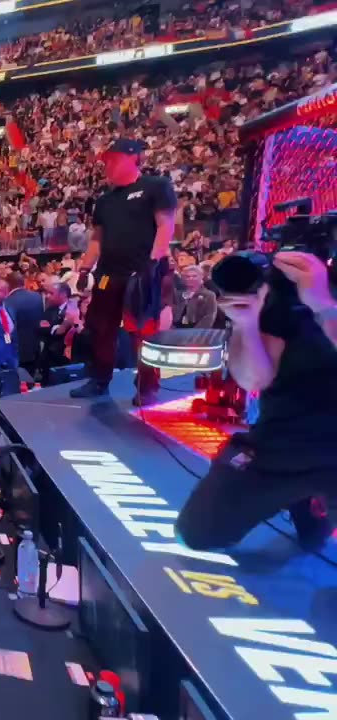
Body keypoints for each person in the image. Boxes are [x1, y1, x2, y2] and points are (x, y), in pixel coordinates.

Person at [176, 251, 337, 550]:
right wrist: (246, 323)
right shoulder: (285, 294)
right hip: (280, 440)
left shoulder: (315, 293)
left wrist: (323, 305)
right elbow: (254, 379)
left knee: (313, 538)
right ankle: (300, 495)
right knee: (196, 532)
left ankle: (311, 500)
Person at [70, 139, 176, 401]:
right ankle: (99, 379)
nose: (107, 165)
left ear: (133, 158)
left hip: (141, 273)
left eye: (112, 159)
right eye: (106, 161)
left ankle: (148, 386)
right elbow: (97, 237)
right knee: (100, 327)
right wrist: (85, 266)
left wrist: (154, 261)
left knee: (142, 330)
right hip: (108, 273)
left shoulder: (156, 186)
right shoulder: (105, 200)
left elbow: (166, 225)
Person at [5, 272, 46, 376]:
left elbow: (7, 330)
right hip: (34, 348)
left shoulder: (7, 302)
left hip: (16, 352)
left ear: (8, 284)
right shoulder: (37, 297)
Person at [172, 264, 219, 329]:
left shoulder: (209, 295)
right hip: (176, 330)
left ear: (201, 277)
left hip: (196, 330)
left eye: (194, 276)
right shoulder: (178, 294)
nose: (191, 278)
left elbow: (210, 316)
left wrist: (196, 332)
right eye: (187, 276)